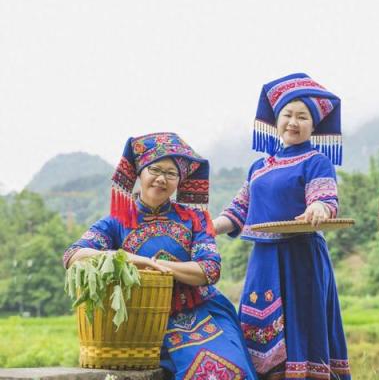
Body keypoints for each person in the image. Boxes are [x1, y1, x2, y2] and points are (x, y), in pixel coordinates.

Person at [63, 132, 258, 380]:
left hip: (203, 310)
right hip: (147, 320)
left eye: (171, 173)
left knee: (229, 368)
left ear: (179, 181)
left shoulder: (194, 219)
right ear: (139, 172)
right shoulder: (116, 221)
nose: (161, 179)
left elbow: (209, 270)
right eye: (155, 169)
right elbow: (73, 255)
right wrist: (132, 259)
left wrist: (159, 266)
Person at [213, 73, 351, 379]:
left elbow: (325, 199)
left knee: (302, 324)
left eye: (302, 117)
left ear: (314, 126)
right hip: (263, 259)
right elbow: (238, 209)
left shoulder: (317, 160)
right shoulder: (259, 166)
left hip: (301, 257)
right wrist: (207, 228)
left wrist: (317, 208)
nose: (293, 122)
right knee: (257, 328)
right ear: (276, 121)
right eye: (287, 114)